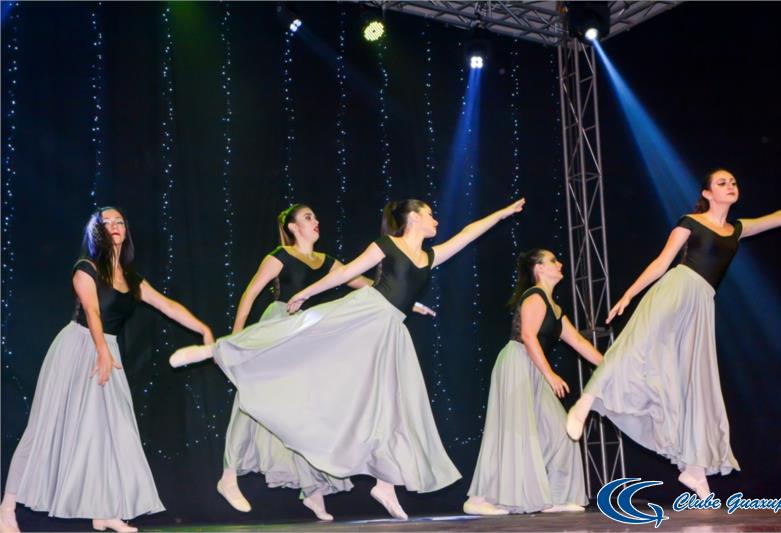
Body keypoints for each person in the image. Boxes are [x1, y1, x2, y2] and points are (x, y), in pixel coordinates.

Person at [170, 198, 525, 520]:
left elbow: (465, 234)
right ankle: (216, 350)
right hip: (365, 313)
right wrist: (305, 293)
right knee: (300, 330)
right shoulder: (386, 245)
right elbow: (345, 275)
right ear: (414, 218)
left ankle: (384, 482)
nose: (436, 220)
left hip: (390, 330)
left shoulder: (429, 256)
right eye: (430, 214)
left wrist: (500, 213)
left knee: (392, 402)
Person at [565, 169, 781, 498]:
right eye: (722, 183)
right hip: (676, 289)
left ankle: (694, 470)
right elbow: (661, 262)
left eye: (733, 182)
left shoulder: (736, 229)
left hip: (703, 304)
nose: (730, 186)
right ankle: (586, 402)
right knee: (636, 346)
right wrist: (629, 294)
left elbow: (778, 218)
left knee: (696, 383)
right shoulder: (690, 222)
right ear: (707, 193)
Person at [0, 207, 213, 533]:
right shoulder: (85, 268)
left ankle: (104, 511)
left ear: (126, 231)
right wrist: (101, 351)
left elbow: (167, 306)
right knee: (44, 428)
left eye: (119, 222)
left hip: (107, 349)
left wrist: (203, 329)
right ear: (96, 232)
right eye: (107, 222)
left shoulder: (133, 280)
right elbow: (93, 312)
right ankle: (7, 508)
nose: (114, 226)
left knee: (112, 430)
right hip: (78, 346)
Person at [219, 204, 433, 521]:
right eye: (308, 217)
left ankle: (313, 490)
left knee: (307, 409)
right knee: (251, 397)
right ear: (293, 227)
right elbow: (250, 293)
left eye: (316, 217)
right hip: (280, 324)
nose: (316, 221)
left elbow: (371, 284)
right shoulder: (280, 256)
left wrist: (408, 301)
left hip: (310, 332)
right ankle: (229, 475)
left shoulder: (328, 261)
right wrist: (236, 340)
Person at [465, 249, 602, 515]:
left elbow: (579, 342)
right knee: (513, 432)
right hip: (517, 363)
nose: (560, 263)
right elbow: (528, 336)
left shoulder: (555, 308)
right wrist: (550, 375)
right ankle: (479, 499)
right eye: (553, 260)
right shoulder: (535, 296)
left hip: (535, 368)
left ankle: (554, 496)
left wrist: (610, 367)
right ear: (539, 269)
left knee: (562, 431)